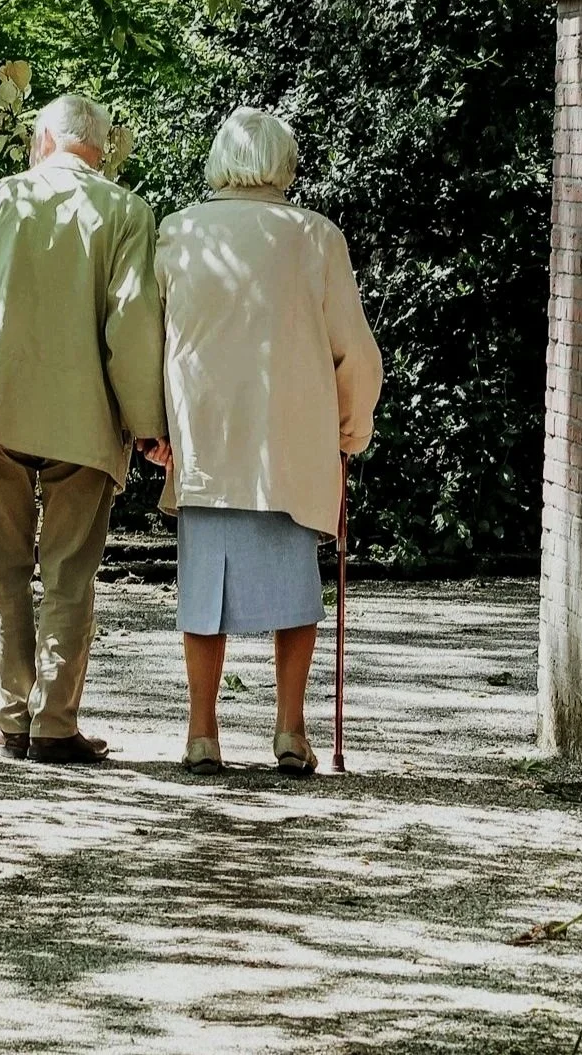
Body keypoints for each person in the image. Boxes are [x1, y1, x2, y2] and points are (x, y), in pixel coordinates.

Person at [0, 94, 170, 765]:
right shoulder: (125, 211)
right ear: (100, 148)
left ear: (44, 139)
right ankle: (54, 723)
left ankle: (11, 718)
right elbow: (132, 323)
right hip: (84, 417)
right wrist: (146, 424)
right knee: (69, 575)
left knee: (1, 571)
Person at [150, 107, 383, 775]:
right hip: (290, 438)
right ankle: (289, 729)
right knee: (294, 589)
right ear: (285, 162)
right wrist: (350, 424)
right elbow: (354, 351)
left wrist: (151, 426)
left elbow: (150, 338)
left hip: (206, 435)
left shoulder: (179, 231)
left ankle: (201, 731)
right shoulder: (313, 237)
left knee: (203, 589)